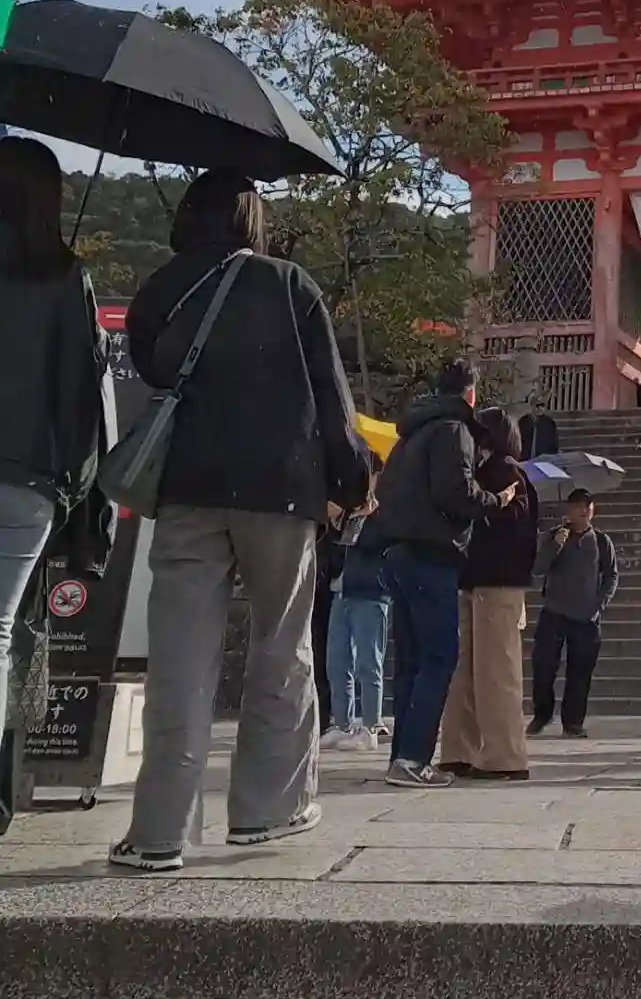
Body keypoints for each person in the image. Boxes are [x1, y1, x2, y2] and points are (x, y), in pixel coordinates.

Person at [111, 170, 370, 871]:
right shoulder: (290, 285)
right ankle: (268, 811)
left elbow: (152, 366)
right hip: (281, 491)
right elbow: (331, 393)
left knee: (179, 660)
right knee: (281, 645)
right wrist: (352, 479)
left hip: (189, 488)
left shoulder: (165, 287)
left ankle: (159, 831)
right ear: (252, 217)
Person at [0, 139, 106, 747]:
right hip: (29, 480)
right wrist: (71, 486)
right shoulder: (65, 277)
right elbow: (78, 394)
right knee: (0, 630)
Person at [377, 361, 518, 789]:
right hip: (431, 553)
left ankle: (401, 756)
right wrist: (495, 500)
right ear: (471, 393)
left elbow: (384, 490)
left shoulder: (410, 435)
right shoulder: (453, 430)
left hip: (396, 551)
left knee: (410, 661)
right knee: (439, 656)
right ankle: (414, 758)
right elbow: (455, 493)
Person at [440, 406, 539, 781]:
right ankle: (460, 750)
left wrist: (484, 508)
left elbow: (514, 524)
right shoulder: (482, 471)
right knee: (465, 672)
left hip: (498, 582)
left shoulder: (507, 471)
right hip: (476, 580)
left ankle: (505, 755)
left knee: (496, 672)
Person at [529, 488, 618, 738]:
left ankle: (573, 722)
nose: (583, 512)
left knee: (580, 674)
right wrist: (554, 547)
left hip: (586, 617)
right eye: (577, 507)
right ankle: (542, 714)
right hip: (554, 613)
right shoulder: (555, 536)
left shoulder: (601, 541)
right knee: (544, 668)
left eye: (587, 508)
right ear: (569, 510)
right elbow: (537, 569)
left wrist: (599, 605)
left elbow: (611, 576)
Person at [323, 464, 389, 753]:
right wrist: (341, 518)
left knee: (368, 662)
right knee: (337, 662)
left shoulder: (385, 514)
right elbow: (336, 547)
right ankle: (342, 723)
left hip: (371, 592)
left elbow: (375, 544)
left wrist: (363, 516)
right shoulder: (352, 513)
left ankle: (371, 726)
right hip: (342, 590)